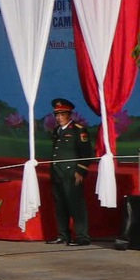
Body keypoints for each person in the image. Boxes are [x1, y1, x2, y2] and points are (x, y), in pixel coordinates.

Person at [47, 98, 95, 246]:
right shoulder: (57, 131)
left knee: (76, 205)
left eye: (62, 114)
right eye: (57, 115)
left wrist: (80, 171)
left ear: (69, 115)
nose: (59, 118)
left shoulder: (78, 130)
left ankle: (82, 237)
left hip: (71, 173)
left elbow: (86, 152)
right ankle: (63, 235)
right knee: (60, 206)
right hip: (58, 173)